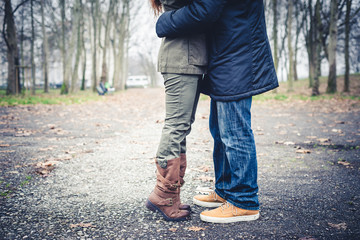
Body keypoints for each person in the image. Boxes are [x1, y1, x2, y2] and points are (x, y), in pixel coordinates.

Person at [156, 0, 279, 223]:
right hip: (227, 53)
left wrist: (163, 22)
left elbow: (205, 9)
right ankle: (226, 191)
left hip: (235, 53)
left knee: (234, 132)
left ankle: (244, 200)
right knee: (221, 131)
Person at [145, 0, 208, 221]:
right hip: (180, 59)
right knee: (176, 126)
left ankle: (172, 196)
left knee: (183, 127)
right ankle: (163, 195)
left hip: (189, 60)